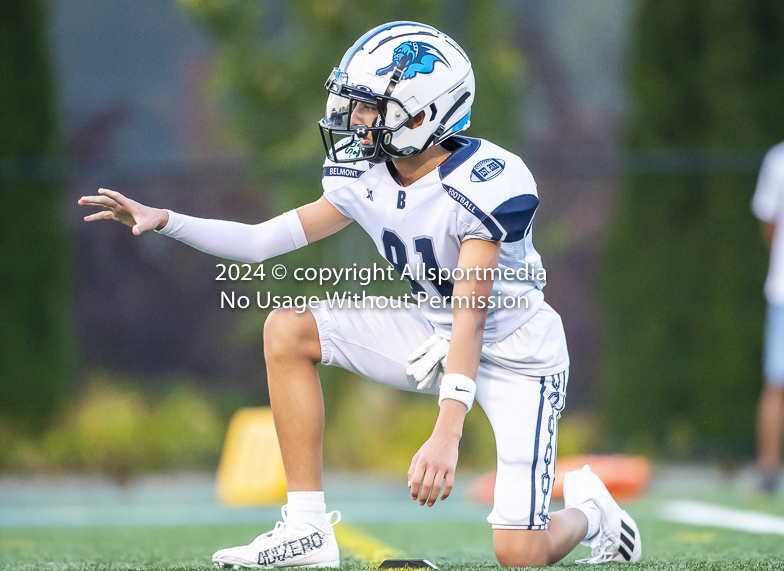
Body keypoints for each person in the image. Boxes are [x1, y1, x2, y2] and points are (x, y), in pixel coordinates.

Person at [79, 21, 640, 567]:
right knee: (288, 329)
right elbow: (258, 241)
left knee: (520, 554)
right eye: (354, 104)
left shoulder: (486, 181)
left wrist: (447, 433)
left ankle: (591, 513)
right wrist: (166, 218)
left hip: (517, 354)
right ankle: (307, 529)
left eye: (371, 107)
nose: (354, 119)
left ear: (425, 113)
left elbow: (472, 315)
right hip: (433, 334)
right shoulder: (366, 175)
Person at [752, 142, 784, 494]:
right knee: (776, 384)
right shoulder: (776, 159)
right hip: (783, 288)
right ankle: (768, 469)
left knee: (776, 384)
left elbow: (770, 223)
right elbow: (769, 222)